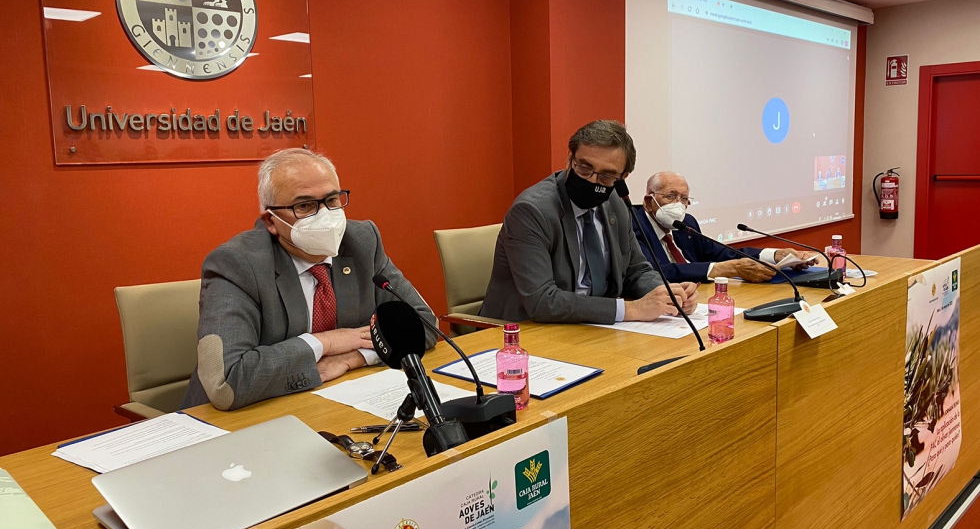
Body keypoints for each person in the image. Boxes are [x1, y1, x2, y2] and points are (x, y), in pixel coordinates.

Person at [180, 148, 436, 411]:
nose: (325, 215)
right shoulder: (236, 264)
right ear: (271, 220)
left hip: (334, 403)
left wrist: (354, 356)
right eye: (304, 206)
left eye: (332, 200)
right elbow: (228, 382)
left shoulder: (362, 242)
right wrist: (325, 342)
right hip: (241, 420)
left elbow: (425, 325)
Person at [480, 120, 698, 324]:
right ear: (569, 159)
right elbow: (542, 301)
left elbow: (636, 270)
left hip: (592, 327)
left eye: (606, 176)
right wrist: (632, 310)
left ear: (623, 177)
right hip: (523, 332)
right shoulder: (532, 211)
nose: (593, 181)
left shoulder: (616, 203)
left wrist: (667, 294)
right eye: (584, 168)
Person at [633, 171, 814, 284]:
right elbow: (659, 272)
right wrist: (731, 269)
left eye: (684, 198)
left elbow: (722, 253)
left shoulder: (686, 223)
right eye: (671, 196)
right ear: (649, 202)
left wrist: (775, 255)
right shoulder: (633, 228)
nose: (678, 205)